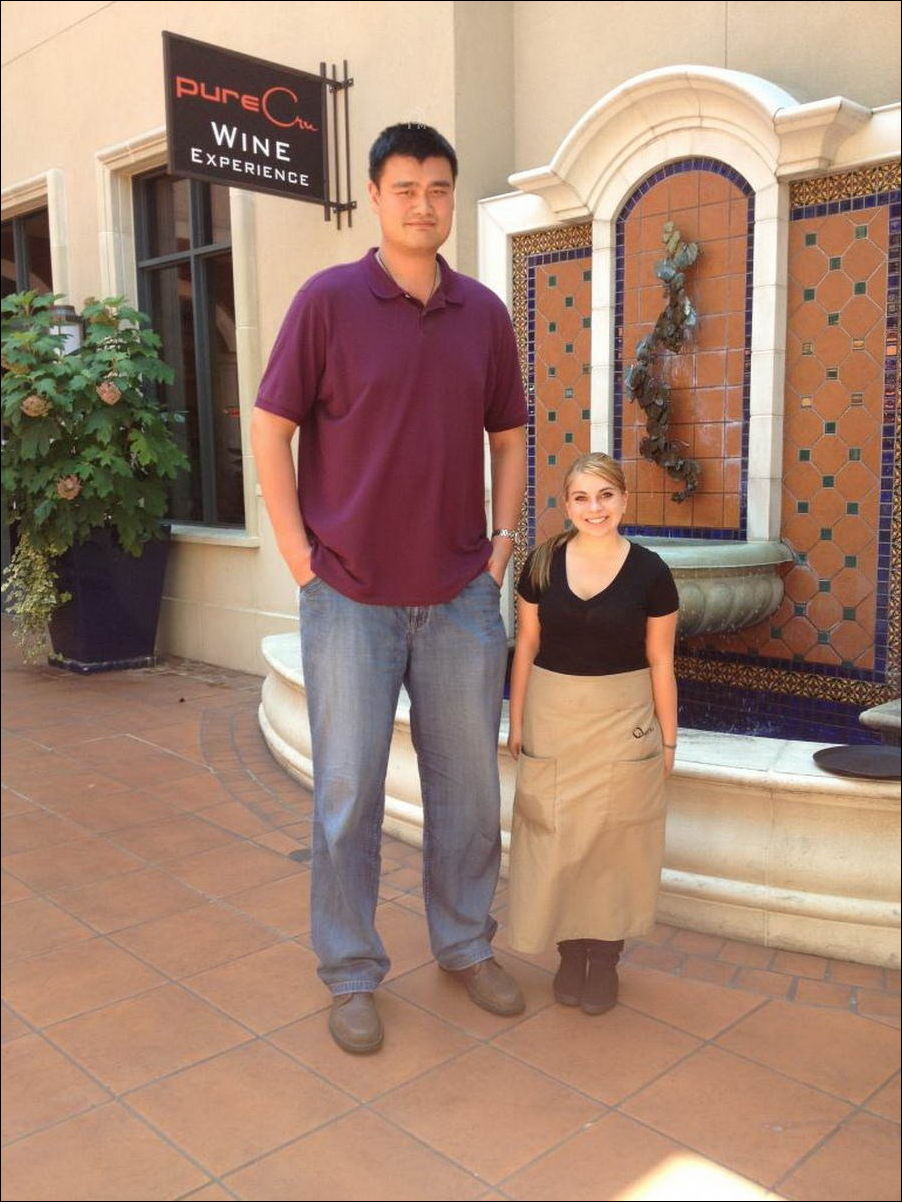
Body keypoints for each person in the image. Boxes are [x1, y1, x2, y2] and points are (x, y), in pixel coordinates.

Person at [252, 123, 528, 1055]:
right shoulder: (327, 302)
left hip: (459, 598)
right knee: (347, 795)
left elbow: (510, 438)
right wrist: (301, 559)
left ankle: (465, 943)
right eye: (405, 187)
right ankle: (350, 971)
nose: (423, 203)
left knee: (469, 793)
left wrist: (499, 548)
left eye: (438, 187)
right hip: (349, 599)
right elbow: (270, 429)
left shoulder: (484, 313)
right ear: (374, 196)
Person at [506, 452, 678, 1015]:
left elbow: (661, 660)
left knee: (614, 841)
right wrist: (517, 719)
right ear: (567, 504)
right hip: (554, 719)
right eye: (582, 497)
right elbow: (527, 644)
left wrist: (668, 739)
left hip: (624, 723)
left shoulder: (652, 572)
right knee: (554, 838)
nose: (594, 508)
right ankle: (569, 953)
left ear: (624, 499)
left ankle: (603, 959)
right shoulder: (540, 564)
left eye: (605, 495)